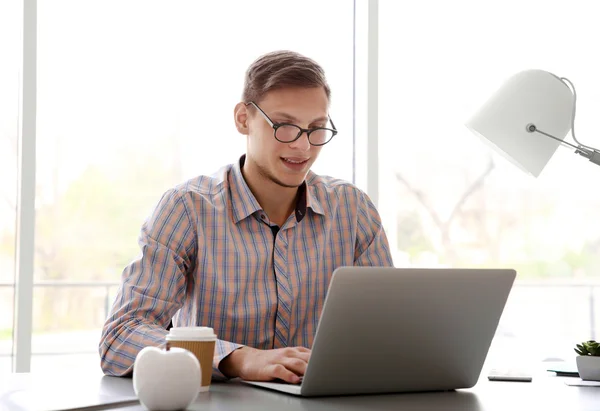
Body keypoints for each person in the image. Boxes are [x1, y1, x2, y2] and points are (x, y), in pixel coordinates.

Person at [99, 50, 393, 384]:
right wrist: (237, 358)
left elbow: (388, 331)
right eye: (285, 126)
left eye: (316, 128)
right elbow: (120, 338)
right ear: (243, 119)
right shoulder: (186, 209)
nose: (303, 147)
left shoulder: (353, 210)